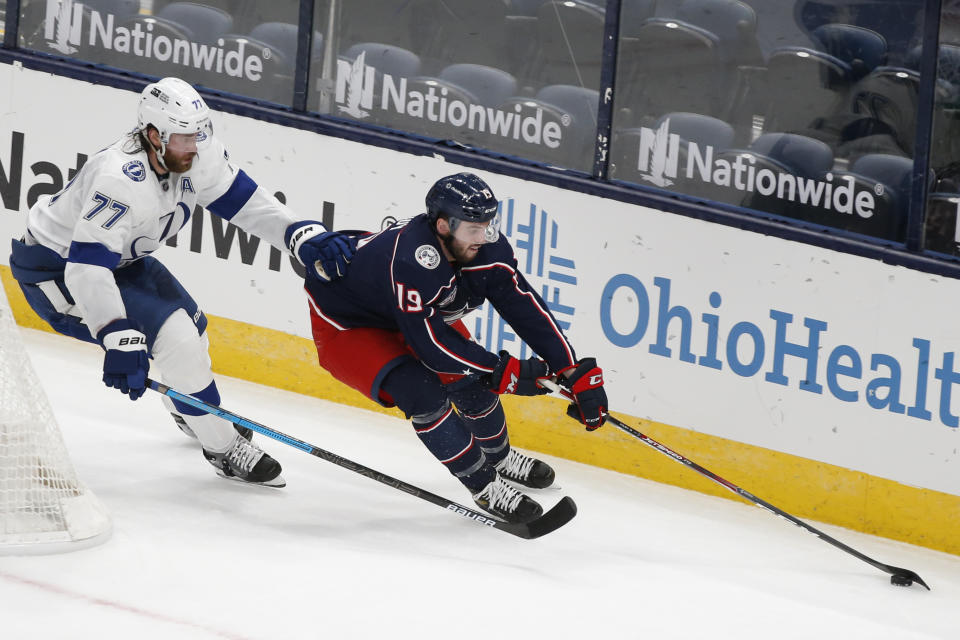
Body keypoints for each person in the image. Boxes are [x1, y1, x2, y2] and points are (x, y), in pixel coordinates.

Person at [9, 77, 355, 488]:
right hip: (58, 271)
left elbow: (243, 201)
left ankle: (187, 407)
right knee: (179, 343)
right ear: (154, 135)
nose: (193, 146)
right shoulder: (120, 178)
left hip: (122, 261)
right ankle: (224, 449)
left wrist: (296, 232)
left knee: (194, 330)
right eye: (183, 138)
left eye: (197, 135)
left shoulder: (194, 152)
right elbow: (86, 268)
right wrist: (114, 331)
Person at [303, 172, 608, 523]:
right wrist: (500, 370)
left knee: (472, 381)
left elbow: (522, 305)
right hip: (348, 325)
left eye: (489, 225)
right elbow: (431, 347)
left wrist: (570, 368)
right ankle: (484, 485)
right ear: (444, 226)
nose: (485, 236)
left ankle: (500, 457)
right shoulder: (410, 258)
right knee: (425, 394)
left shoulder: (482, 246)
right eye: (474, 228)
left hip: (410, 315)